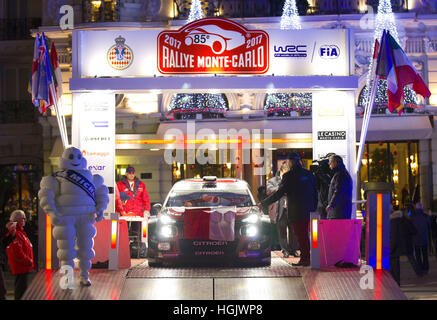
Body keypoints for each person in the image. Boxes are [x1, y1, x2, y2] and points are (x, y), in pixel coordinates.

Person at [260, 152, 317, 267]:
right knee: (305, 235)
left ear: (291, 162)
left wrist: (264, 203)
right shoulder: (309, 174)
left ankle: (305, 259)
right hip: (309, 210)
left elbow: (279, 194)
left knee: (301, 236)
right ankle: (307, 257)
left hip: (296, 211)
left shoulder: (289, 176)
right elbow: (315, 192)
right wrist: (314, 208)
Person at [266, 162, 299, 258]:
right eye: (286, 173)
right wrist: (282, 189)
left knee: (293, 231)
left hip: (291, 209)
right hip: (280, 209)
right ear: (282, 171)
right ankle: (285, 250)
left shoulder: (293, 180)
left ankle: (294, 249)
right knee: (282, 231)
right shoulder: (273, 180)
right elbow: (269, 190)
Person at [5, 210, 35, 300]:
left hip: (23, 267)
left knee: (21, 289)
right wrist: (28, 260)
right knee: (20, 290)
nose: (25, 220)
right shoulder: (16, 233)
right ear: (17, 220)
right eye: (23, 218)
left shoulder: (19, 232)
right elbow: (17, 252)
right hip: (21, 267)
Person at [390, 205, 423, 286]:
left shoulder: (392, 221)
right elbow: (414, 230)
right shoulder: (406, 220)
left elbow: (393, 235)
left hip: (397, 244)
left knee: (395, 263)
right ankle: (419, 273)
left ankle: (396, 281)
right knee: (411, 258)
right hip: (407, 243)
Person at [326, 154, 353, 219]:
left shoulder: (340, 175)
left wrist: (331, 205)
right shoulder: (343, 173)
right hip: (341, 211)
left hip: (338, 212)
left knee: (337, 228)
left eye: (330, 163)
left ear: (335, 162)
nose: (329, 165)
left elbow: (338, 191)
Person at [410, 202, 431, 274]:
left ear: (416, 208)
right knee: (425, 254)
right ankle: (426, 268)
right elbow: (429, 226)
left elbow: (411, 228)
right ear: (422, 208)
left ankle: (419, 268)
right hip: (424, 238)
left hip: (416, 238)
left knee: (418, 255)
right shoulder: (426, 216)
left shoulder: (412, 217)